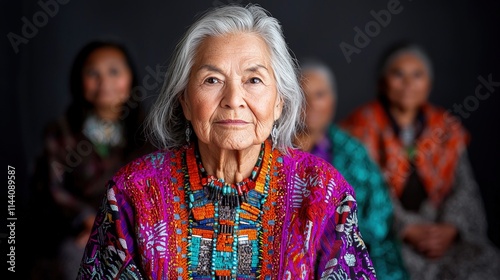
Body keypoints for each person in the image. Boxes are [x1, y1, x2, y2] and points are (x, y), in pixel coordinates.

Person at [77, 4, 376, 279]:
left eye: (253, 80)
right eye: (212, 80)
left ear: (279, 103)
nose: (233, 100)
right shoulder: (133, 192)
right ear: (185, 101)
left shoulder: (323, 193)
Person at [340, 43, 500, 279]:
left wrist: (450, 229)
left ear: (429, 84)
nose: (408, 84)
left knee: (486, 262)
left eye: (417, 75)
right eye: (398, 74)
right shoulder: (359, 129)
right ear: (383, 82)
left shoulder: (445, 129)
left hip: (440, 230)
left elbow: (464, 189)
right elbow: (364, 194)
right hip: (389, 235)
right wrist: (407, 228)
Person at [29, 40, 152, 280]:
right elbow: (54, 189)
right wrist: (91, 223)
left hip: (134, 230)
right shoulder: (61, 133)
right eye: (93, 73)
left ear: (130, 80)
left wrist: (120, 229)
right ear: (80, 82)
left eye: (114, 71)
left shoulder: (147, 136)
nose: (104, 82)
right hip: (75, 230)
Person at [295, 59, 409, 280]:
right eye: (301, 94)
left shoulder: (353, 151)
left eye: (320, 95)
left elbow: (379, 213)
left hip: (348, 250)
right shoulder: (274, 150)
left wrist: (337, 236)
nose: (311, 104)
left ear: (333, 101)